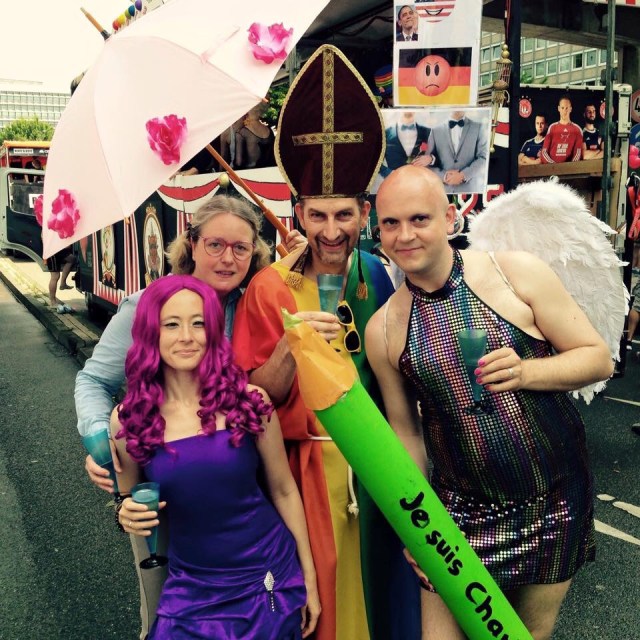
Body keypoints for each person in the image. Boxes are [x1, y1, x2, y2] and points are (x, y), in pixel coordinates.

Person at [366, 165, 614, 640]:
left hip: (553, 498)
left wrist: (526, 371)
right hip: (459, 511)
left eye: (419, 219)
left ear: (449, 219)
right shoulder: (385, 328)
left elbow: (596, 358)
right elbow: (407, 433)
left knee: (526, 635)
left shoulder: (514, 271)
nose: (405, 235)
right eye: (391, 223)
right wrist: (417, 525)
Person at [232, 45, 420, 640]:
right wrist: (290, 349)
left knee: (383, 601)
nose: (332, 231)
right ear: (298, 212)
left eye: (344, 215)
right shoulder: (269, 287)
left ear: (363, 213)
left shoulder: (381, 274)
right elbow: (253, 400)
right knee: (322, 609)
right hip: (306, 471)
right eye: (318, 216)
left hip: (378, 469)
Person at [76, 194, 305, 638]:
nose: (228, 258)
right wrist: (103, 440)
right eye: (215, 244)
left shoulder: (255, 302)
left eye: (241, 248)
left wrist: (296, 269)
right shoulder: (146, 305)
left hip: (243, 480)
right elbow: (93, 381)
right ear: (192, 244)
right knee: (165, 606)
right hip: (171, 483)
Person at [111, 275, 320, 639]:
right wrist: (123, 513)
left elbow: (284, 490)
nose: (187, 336)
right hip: (190, 588)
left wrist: (309, 580)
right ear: (150, 332)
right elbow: (127, 498)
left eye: (198, 323)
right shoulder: (130, 419)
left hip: (266, 578)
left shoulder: (249, 401)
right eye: (171, 325)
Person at [431, 110, 489, 193]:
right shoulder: (435, 129)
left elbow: (484, 157)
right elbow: (426, 162)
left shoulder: (478, 127)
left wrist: (463, 175)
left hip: (470, 190)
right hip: (442, 191)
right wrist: (443, 176)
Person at [380, 111, 436, 178]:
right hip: (394, 182)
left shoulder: (428, 132)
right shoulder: (384, 134)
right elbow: (375, 161)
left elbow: (439, 156)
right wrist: (388, 173)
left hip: (421, 181)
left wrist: (431, 159)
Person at [541, 96, 582, 163]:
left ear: (570, 109)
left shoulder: (577, 129)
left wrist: (568, 167)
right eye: (562, 108)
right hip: (552, 167)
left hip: (568, 168)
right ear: (558, 108)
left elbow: (577, 154)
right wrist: (553, 165)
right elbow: (544, 152)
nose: (564, 111)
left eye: (567, 108)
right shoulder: (552, 127)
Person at [236, 103, 276, 169]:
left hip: (250, 172)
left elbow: (238, 162)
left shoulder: (242, 133)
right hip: (271, 171)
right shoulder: (269, 130)